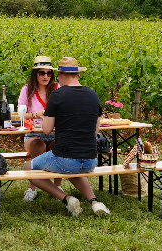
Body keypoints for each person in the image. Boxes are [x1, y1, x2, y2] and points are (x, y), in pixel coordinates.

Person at [22, 57, 110, 217]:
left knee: (29, 168)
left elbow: (47, 130)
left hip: (66, 159)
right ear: (78, 75)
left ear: (61, 75)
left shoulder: (57, 94)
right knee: (74, 166)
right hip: (91, 160)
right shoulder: (93, 95)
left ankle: (67, 199)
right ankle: (95, 202)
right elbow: (95, 130)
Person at [18, 55, 60, 201]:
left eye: (49, 73)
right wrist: (36, 114)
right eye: (41, 73)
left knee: (59, 145)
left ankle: (58, 186)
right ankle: (32, 187)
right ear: (35, 74)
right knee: (39, 144)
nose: (45, 76)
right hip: (33, 134)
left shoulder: (57, 89)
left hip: (53, 133)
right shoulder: (26, 90)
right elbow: (20, 115)